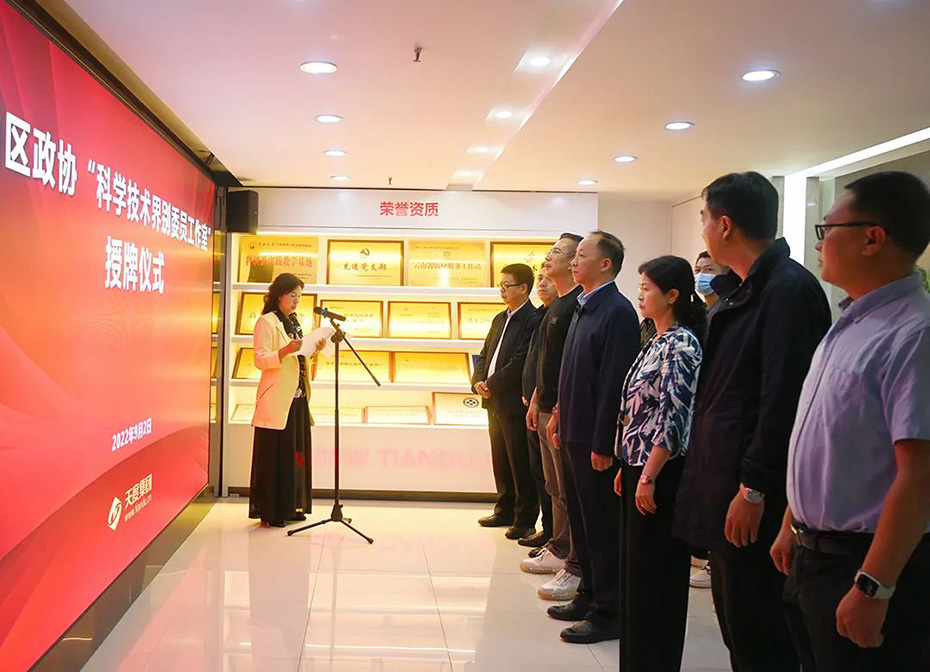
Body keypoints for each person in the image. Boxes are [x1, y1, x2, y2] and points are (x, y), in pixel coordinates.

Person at [770, 171, 930, 671]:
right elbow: (827, 440)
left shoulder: (915, 333)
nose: (819, 243)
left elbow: (920, 474)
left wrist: (874, 585)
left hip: (861, 562)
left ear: (872, 238)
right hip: (813, 553)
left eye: (828, 229)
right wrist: (791, 523)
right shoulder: (851, 321)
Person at [673, 171, 832, 671]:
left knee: (761, 629)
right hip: (724, 482)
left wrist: (754, 489)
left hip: (752, 493)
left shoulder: (787, 290)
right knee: (738, 624)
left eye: (704, 218)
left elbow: (783, 400)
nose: (702, 229)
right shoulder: (740, 291)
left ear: (724, 225)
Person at [545, 230, 640, 643]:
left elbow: (613, 384)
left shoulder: (617, 311)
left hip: (593, 442)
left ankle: (609, 611)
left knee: (601, 528)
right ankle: (587, 595)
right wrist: (559, 415)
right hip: (572, 432)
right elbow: (574, 371)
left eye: (581, 255)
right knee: (582, 524)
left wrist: (604, 443)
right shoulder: (584, 307)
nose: (573, 262)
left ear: (605, 263)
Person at [615, 255, 705, 671]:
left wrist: (648, 475)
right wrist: (628, 466)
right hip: (640, 467)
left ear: (671, 295)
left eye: (646, 288)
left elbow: (674, 417)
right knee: (636, 578)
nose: (640, 295)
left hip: (662, 473)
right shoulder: (655, 338)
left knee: (656, 581)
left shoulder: (682, 344)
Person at [522, 233, 584, 600]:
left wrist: (558, 408)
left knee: (567, 488)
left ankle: (574, 561)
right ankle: (560, 547)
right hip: (545, 408)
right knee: (554, 486)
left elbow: (571, 367)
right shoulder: (556, 306)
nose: (549, 258)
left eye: (557, 253)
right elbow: (545, 362)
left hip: (562, 413)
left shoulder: (578, 305)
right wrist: (536, 401)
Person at [249, 273, 326, 527]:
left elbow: (299, 357)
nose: (296, 301)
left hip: (298, 398)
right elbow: (260, 359)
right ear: (279, 295)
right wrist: (284, 350)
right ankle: (272, 512)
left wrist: (314, 350)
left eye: (299, 297)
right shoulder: (266, 322)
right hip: (278, 399)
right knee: (276, 457)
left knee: (295, 455)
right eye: (293, 295)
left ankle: (291, 506)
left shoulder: (294, 321)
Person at [472, 263, 541, 540]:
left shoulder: (532, 319)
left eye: (507, 285)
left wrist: (492, 385)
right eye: (500, 285)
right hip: (493, 401)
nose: (502, 290)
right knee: (500, 458)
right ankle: (504, 510)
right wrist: (478, 380)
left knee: (520, 462)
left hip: (514, 402)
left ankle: (525, 519)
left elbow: (520, 361)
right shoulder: (500, 318)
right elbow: (484, 353)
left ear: (523, 288)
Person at [690, 249, 726, 589]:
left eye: (709, 269)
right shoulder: (702, 314)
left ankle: (715, 561)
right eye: (698, 269)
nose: (701, 274)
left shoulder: (726, 311)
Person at [519, 272, 558, 548]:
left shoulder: (561, 314)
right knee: (540, 472)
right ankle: (549, 529)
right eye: (540, 278)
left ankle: (555, 534)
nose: (542, 284)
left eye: (548, 279)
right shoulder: (542, 315)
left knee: (553, 479)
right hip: (534, 405)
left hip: (549, 408)